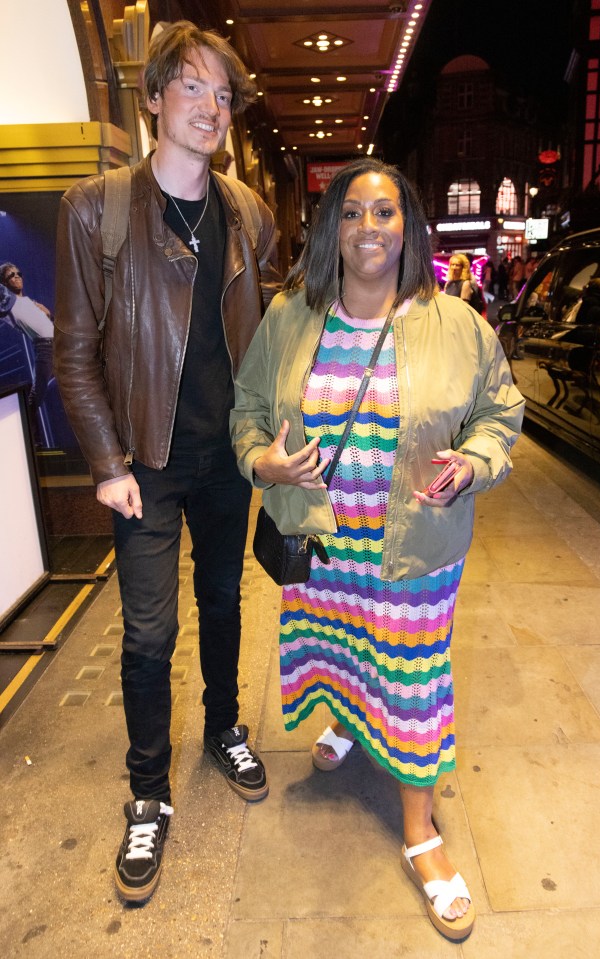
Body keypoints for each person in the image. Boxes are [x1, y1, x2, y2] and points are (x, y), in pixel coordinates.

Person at [230, 158, 524, 942]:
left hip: (412, 550)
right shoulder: (293, 314)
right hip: (323, 544)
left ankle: (420, 832)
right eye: (352, 212)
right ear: (333, 228)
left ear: (408, 226)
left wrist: (473, 462)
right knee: (338, 649)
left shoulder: (456, 323)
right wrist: (262, 460)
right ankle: (350, 722)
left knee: (411, 676)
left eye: (384, 212)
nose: (368, 227)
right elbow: (249, 408)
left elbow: (501, 412)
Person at [54, 20, 281, 903]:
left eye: (223, 94)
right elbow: (74, 350)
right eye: (192, 87)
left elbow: (261, 340)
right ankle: (148, 788)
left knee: (224, 602)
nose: (212, 106)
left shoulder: (247, 212)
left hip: (226, 457)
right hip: (140, 463)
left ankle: (222, 726)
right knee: (149, 632)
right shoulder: (95, 207)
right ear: (152, 100)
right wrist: (107, 461)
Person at [0, 262, 54, 445]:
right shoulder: (8, 305)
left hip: (61, 345)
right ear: (4, 283)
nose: (16, 277)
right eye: (10, 276)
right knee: (36, 394)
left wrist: (49, 314)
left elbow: (49, 325)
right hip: (45, 349)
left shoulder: (31, 302)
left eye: (18, 273)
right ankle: (31, 438)